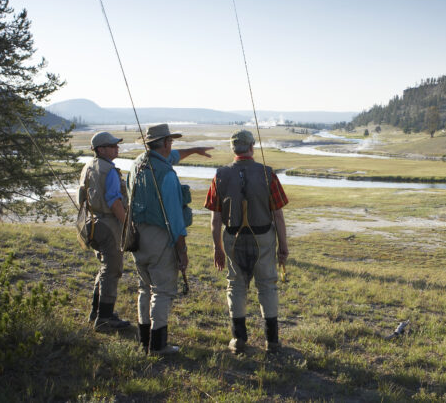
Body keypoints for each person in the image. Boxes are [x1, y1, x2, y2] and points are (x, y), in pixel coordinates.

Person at [127, 124, 212, 354]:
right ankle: (158, 345)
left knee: (144, 288)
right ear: (165, 143)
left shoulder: (137, 164)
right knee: (162, 291)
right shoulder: (166, 175)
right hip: (160, 238)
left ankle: (144, 340)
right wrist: (182, 251)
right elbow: (175, 219)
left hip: (136, 235)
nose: (172, 146)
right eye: (170, 141)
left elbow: (173, 157)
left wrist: (194, 150)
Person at [205, 129, 289, 353]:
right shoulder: (268, 174)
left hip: (232, 237)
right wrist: (284, 246)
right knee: (267, 285)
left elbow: (215, 218)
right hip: (263, 238)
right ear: (251, 147)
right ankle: (272, 341)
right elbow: (278, 215)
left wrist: (217, 248)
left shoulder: (220, 175)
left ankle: (238, 339)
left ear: (233, 148)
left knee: (236, 285)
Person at [80, 131, 130, 331]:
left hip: (91, 224)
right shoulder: (109, 170)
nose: (116, 148)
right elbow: (114, 202)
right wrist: (127, 225)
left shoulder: (88, 167)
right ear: (101, 149)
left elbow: (81, 198)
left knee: (104, 268)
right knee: (112, 270)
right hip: (109, 226)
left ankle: (97, 312)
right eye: (112, 146)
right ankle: (105, 318)